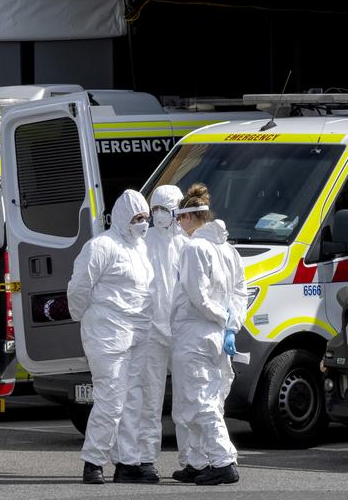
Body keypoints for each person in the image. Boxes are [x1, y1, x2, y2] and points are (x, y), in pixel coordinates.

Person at [67, 189, 154, 485]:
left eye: (145, 217)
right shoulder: (101, 246)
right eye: (136, 217)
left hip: (137, 332)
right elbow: (79, 287)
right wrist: (85, 319)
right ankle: (93, 461)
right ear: (121, 217)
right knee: (111, 399)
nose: (142, 223)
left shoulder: (141, 249)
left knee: (133, 399)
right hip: (106, 333)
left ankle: (127, 462)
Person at [169, 183, 248, 486]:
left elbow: (197, 296)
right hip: (217, 337)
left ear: (190, 217)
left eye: (179, 218)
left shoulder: (194, 248)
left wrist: (221, 318)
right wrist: (231, 324)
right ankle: (197, 461)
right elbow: (241, 292)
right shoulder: (228, 249)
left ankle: (223, 461)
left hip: (195, 335)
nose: (177, 224)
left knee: (198, 401)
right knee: (207, 401)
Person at [113, 185, 188, 483]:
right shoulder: (144, 243)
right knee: (148, 400)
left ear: (178, 211)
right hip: (152, 332)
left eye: (165, 210)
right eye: (155, 209)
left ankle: (195, 460)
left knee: (189, 400)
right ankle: (144, 459)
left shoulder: (188, 244)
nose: (159, 216)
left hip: (183, 331)